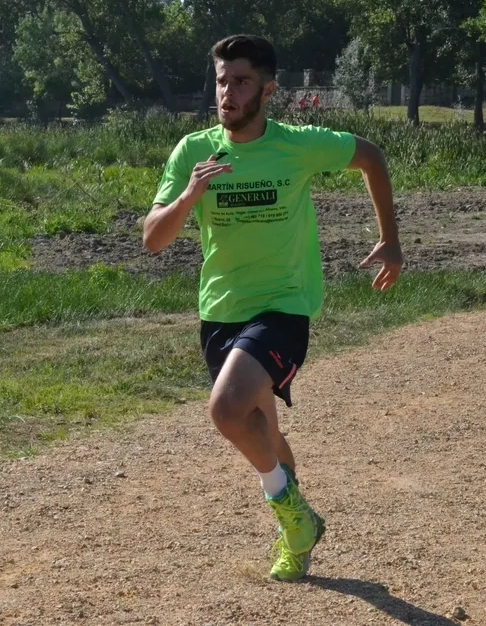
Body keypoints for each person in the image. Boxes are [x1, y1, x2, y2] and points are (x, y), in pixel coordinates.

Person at [142, 34, 403, 582]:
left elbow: (370, 157)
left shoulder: (297, 145)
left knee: (226, 409)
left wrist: (390, 240)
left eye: (240, 82)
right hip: (221, 310)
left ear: (267, 90)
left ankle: (293, 517)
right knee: (261, 426)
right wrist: (189, 196)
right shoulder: (193, 151)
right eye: (221, 81)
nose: (227, 93)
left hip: (284, 306)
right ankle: (298, 531)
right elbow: (153, 240)